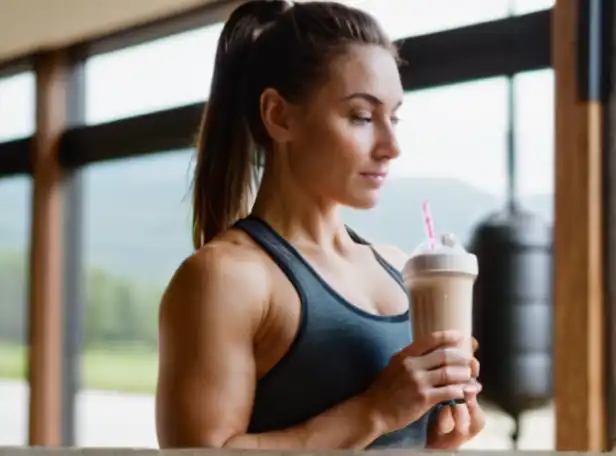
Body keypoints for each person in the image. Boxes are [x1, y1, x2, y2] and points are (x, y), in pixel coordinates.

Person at [155, 0, 485, 450]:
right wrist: (374, 411)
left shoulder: (398, 268)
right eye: (363, 117)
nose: (391, 145)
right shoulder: (226, 279)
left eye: (395, 117)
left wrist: (439, 438)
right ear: (279, 115)